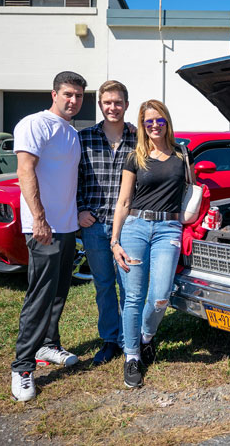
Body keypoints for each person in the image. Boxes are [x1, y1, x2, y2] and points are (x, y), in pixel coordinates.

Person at [10, 71, 86, 402]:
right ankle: (22, 367)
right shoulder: (35, 124)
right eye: (68, 94)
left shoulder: (71, 132)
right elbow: (25, 170)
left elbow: (67, 179)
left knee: (58, 292)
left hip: (68, 225)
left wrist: (77, 213)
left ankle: (48, 345)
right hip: (44, 228)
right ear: (53, 94)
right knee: (39, 297)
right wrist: (39, 219)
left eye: (79, 96)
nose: (73, 100)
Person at [110, 99, 189, 388]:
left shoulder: (182, 154)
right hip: (135, 228)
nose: (155, 125)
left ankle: (146, 337)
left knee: (161, 295)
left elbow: (192, 191)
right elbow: (124, 201)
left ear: (167, 121)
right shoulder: (135, 157)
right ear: (143, 125)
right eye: (148, 121)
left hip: (169, 228)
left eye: (160, 120)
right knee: (133, 296)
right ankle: (132, 356)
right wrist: (115, 241)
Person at [77, 80, 138, 365]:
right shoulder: (84, 137)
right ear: (100, 105)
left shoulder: (140, 140)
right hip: (95, 224)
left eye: (118, 102)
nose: (112, 107)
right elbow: (71, 178)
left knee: (130, 285)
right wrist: (79, 210)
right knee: (103, 284)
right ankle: (110, 340)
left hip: (129, 226)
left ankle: (130, 342)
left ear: (126, 104)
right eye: (107, 102)